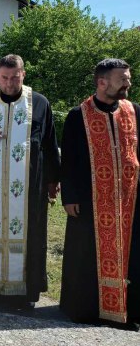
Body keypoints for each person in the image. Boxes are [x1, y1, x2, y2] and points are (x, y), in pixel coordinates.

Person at [0, 54, 60, 309]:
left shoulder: (39, 103)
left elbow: (50, 144)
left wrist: (54, 180)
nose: (9, 83)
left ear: (23, 74)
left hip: (29, 191)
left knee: (32, 235)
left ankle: (26, 291)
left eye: (14, 77)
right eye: (4, 77)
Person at [60, 58, 139, 329]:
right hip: (90, 201)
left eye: (128, 78)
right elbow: (68, 159)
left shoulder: (133, 110)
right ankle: (87, 310)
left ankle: (128, 311)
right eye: (123, 79)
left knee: (132, 255)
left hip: (129, 200)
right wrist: (68, 196)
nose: (128, 83)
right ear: (102, 82)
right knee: (86, 256)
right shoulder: (78, 115)